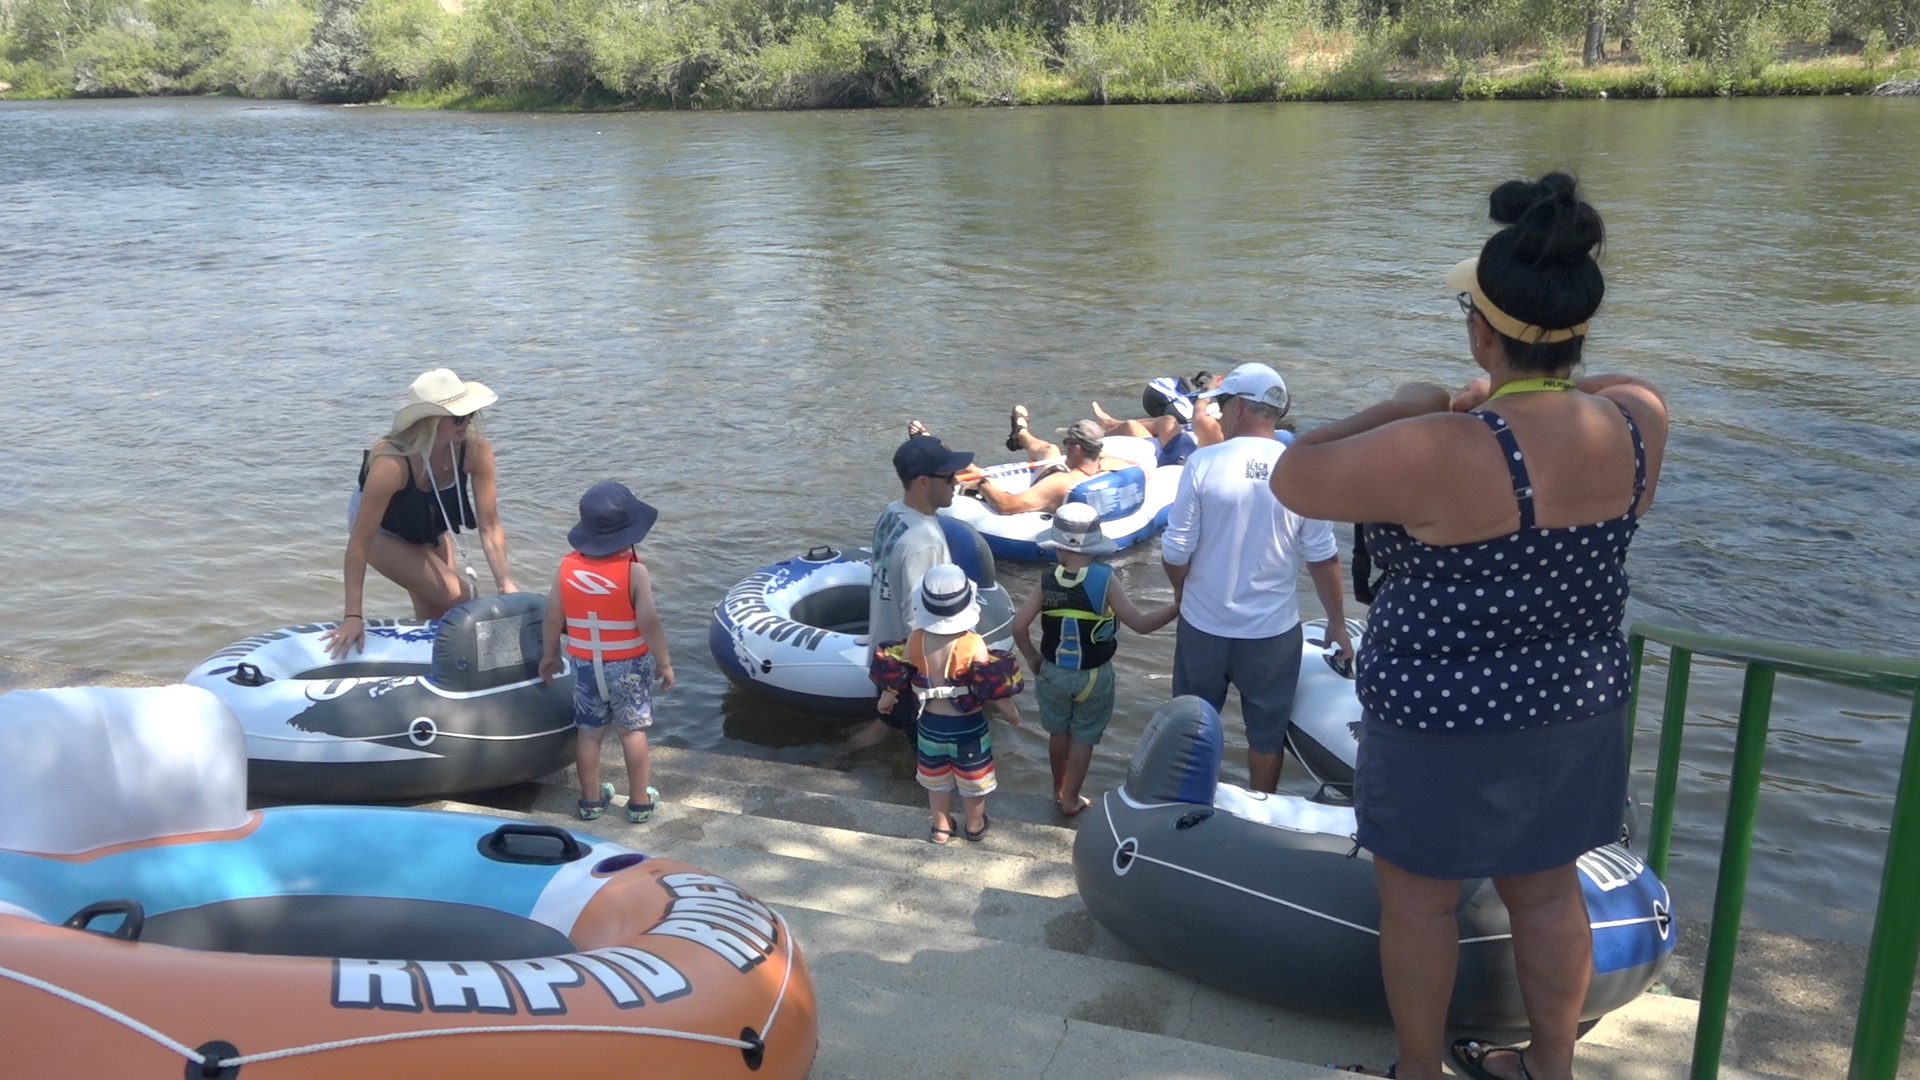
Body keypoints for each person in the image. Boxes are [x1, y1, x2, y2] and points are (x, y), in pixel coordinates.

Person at [1268, 173, 1669, 1080]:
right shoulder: (1638, 421)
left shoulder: (1440, 447)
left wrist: (1412, 404)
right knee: (1547, 890)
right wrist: (1511, 388)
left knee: (1419, 907)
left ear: (1480, 329)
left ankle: (1418, 1069)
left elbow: (1295, 473)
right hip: (1573, 705)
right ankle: (1549, 1066)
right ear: (1575, 323)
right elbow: (1604, 383)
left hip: (1438, 717)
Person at [1159, 361, 1353, 795]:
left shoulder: (1203, 462)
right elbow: (1323, 557)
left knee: (1191, 724)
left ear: (1242, 407)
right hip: (1271, 633)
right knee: (1266, 736)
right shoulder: (1300, 466)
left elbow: (1175, 550)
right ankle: (1261, 804)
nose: (1220, 415)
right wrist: (1337, 622)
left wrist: (1180, 589)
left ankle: (1189, 807)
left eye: (1224, 405)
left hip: (1204, 627)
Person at [322, 368, 519, 659]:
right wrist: (353, 615)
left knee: (435, 610)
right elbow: (359, 545)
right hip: (381, 532)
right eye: (457, 417)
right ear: (429, 421)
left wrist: (506, 583)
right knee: (457, 596)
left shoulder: (475, 451)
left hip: (428, 520)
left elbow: (490, 526)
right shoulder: (392, 464)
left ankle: (431, 672)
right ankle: (485, 657)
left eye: (470, 414)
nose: (466, 423)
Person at [1010, 503, 1178, 816]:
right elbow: (1140, 624)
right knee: (1083, 738)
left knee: (1058, 733)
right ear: (1094, 546)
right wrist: (1176, 607)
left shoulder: (1046, 580)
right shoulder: (1105, 579)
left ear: (1058, 547)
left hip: (1052, 673)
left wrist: (1032, 657)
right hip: (1093, 677)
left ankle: (1058, 791)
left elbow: (1018, 626)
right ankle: (1073, 799)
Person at [538, 481, 676, 824]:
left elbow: (553, 615)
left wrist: (550, 654)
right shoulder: (634, 572)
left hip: (585, 664)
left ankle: (591, 800)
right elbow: (649, 622)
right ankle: (640, 802)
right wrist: (664, 661)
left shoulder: (566, 568)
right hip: (627, 666)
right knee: (632, 733)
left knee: (589, 733)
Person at [870, 564, 1024, 844]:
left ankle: (941, 827)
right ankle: (975, 825)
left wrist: (886, 700)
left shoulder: (916, 640)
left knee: (936, 781)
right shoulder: (973, 643)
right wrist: (1011, 711)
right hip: (969, 727)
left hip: (929, 725)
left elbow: (898, 675)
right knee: (973, 782)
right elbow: (992, 686)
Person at [846, 434, 976, 752]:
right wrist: (944, 679)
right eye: (948, 477)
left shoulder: (892, 514)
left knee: (887, 726)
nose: (956, 483)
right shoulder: (925, 541)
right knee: (928, 754)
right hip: (911, 669)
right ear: (922, 482)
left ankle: (838, 759)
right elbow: (919, 619)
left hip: (884, 656)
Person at [962, 417, 1137, 516]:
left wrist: (981, 483)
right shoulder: (1117, 466)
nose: (1064, 447)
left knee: (983, 476)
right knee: (1050, 449)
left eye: (1066, 442)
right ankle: (1021, 433)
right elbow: (1145, 472)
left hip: (1057, 488)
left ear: (1076, 448)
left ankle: (963, 464)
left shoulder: (1059, 483)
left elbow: (1007, 505)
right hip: (1086, 468)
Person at [1089, 375, 1228, 466]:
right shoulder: (1235, 427)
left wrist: (1208, 392)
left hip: (1182, 462)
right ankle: (1111, 423)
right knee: (1168, 421)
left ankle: (1093, 440)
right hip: (1188, 452)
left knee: (1131, 427)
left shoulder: (1219, 432)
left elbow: (1199, 415)